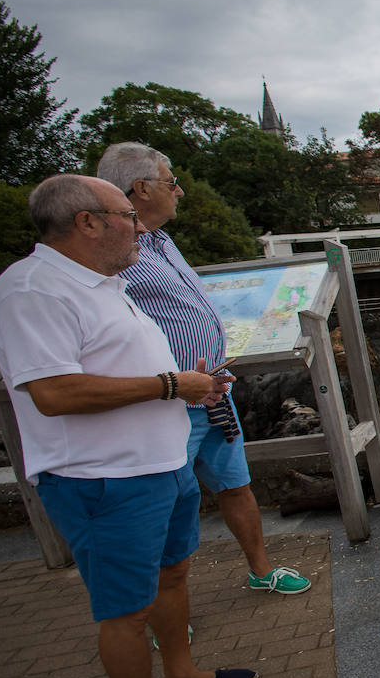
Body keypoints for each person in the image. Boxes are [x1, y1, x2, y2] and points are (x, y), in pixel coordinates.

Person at [0, 174, 256, 678]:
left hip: (161, 463)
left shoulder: (102, 283)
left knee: (172, 575)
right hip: (101, 479)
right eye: (128, 215)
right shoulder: (34, 292)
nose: (139, 226)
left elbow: (117, 367)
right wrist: (168, 384)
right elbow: (53, 392)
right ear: (88, 221)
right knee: (125, 608)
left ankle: (182, 674)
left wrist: (186, 391)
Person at [97, 142, 310, 595]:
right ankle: (158, 613)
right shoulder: (111, 254)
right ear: (141, 188)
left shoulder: (161, 241)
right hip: (166, 401)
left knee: (236, 485)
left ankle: (260, 570)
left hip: (213, 391)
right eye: (172, 182)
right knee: (163, 506)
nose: (180, 191)